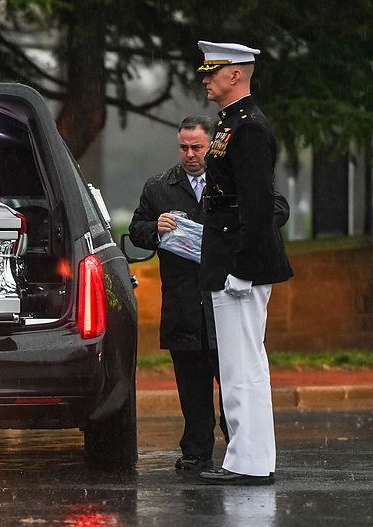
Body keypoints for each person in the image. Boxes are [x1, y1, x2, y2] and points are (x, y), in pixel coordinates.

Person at [130, 116, 290, 473]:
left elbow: (276, 208)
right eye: (184, 148)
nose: (190, 155)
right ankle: (196, 451)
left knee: (231, 380)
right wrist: (155, 227)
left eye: (197, 147)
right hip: (184, 300)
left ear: (210, 146)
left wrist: (233, 231)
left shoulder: (231, 178)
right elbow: (137, 230)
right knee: (191, 385)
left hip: (224, 294)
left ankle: (238, 450)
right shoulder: (159, 187)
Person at [195, 41, 293, 485]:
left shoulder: (248, 127)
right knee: (240, 366)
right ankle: (249, 458)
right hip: (229, 258)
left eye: (212, 70)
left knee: (242, 367)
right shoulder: (231, 123)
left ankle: (248, 462)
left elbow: (257, 205)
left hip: (239, 263)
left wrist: (242, 268)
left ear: (235, 74)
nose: (205, 78)